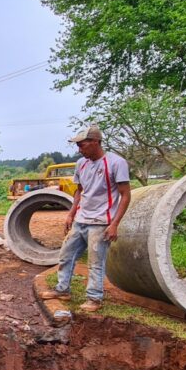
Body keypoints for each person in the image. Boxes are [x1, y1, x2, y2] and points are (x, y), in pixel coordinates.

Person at [39, 124, 131, 312]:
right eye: (78, 145)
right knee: (66, 255)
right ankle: (62, 290)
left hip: (101, 222)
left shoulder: (116, 163)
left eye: (82, 145)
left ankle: (94, 298)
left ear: (96, 142)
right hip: (81, 219)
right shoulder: (81, 164)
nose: (79, 149)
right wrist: (71, 214)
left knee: (95, 262)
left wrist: (114, 224)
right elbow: (79, 192)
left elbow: (125, 194)